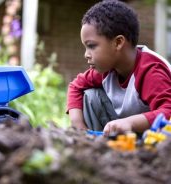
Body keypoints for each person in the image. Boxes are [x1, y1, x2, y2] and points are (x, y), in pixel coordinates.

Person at [66, 0, 171, 136]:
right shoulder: (107, 69)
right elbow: (75, 86)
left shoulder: (150, 70)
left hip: (158, 133)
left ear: (118, 42)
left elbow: (168, 111)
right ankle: (97, 144)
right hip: (130, 130)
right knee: (91, 96)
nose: (86, 55)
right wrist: (78, 124)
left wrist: (130, 122)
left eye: (91, 46)